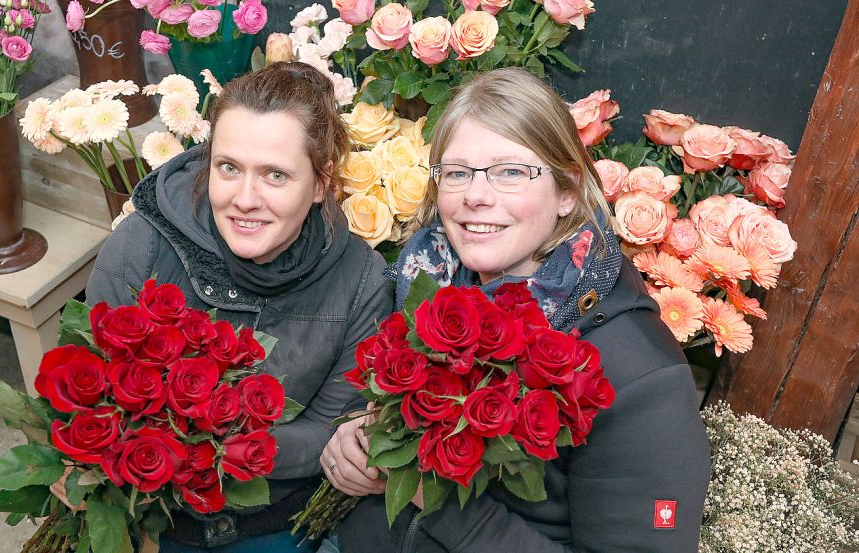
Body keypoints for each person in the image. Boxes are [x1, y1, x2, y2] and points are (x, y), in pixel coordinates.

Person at [320, 67, 711, 552]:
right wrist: (354, 437)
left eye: (510, 172)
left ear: (567, 190)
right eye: (458, 173)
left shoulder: (638, 374)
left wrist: (438, 500)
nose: (476, 196)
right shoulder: (427, 282)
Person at [85, 62, 393, 552]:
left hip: (278, 522)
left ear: (320, 184)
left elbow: (332, 437)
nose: (244, 199)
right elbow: (92, 390)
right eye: (228, 167)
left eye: (275, 175)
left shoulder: (360, 283)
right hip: (151, 516)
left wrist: (199, 440)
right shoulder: (139, 248)